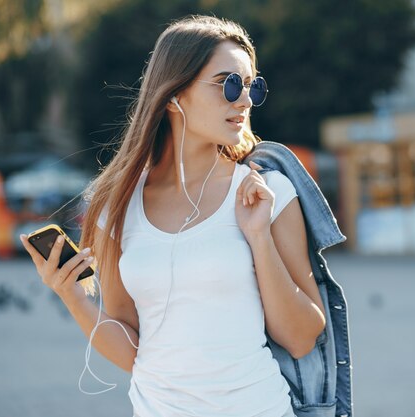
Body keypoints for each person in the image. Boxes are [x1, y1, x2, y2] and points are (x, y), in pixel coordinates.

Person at [20, 15, 330, 417]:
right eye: (229, 84)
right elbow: (134, 350)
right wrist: (73, 296)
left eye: (253, 86)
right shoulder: (116, 205)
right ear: (172, 94)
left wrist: (259, 238)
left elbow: (302, 338)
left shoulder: (267, 193)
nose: (246, 100)